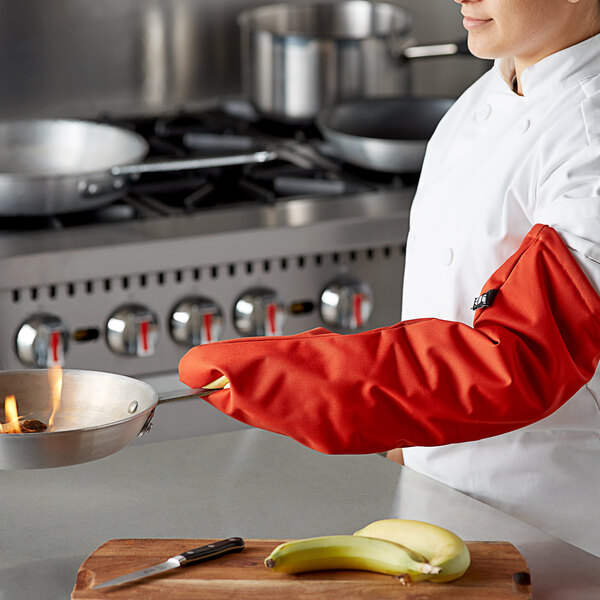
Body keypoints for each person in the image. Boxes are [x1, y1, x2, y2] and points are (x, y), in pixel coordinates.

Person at [179, 0, 600, 557]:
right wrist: (405, 441)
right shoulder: (489, 90)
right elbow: (450, 299)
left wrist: (309, 379)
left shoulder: (590, 139)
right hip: (439, 506)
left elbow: (521, 357)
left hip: (557, 527)